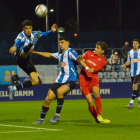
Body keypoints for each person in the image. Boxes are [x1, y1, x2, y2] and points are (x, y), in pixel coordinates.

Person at [31, 36, 94, 124]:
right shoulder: (60, 54)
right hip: (59, 81)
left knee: (59, 92)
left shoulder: (70, 51)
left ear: (67, 43)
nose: (60, 44)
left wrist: (87, 68)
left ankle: (57, 115)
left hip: (70, 80)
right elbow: (48, 54)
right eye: (60, 42)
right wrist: (36, 52)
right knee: (47, 99)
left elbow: (79, 60)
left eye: (62, 42)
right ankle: (41, 119)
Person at [8, 19, 58, 100]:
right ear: (23, 29)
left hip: (27, 60)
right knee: (25, 51)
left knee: (35, 81)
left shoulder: (35, 33)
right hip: (19, 57)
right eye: (26, 28)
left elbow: (46, 34)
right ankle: (31, 43)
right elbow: (16, 44)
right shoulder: (21, 36)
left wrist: (52, 31)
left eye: (29, 28)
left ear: (32, 28)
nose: (28, 30)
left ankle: (13, 88)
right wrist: (14, 47)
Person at [78, 41, 110, 123]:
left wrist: (85, 63)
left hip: (93, 78)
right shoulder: (88, 53)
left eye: (98, 48)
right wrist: (85, 65)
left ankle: (99, 115)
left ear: (102, 51)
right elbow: (79, 60)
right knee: (89, 101)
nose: (95, 49)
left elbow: (94, 69)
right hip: (83, 78)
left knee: (96, 92)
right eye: (96, 47)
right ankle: (97, 119)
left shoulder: (103, 61)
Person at [122, 39, 140, 109]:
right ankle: (139, 101)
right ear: (132, 45)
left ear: (138, 44)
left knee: (135, 86)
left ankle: (131, 103)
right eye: (134, 43)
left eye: (136, 43)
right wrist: (124, 65)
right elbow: (128, 62)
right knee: (135, 88)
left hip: (139, 72)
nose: (135, 44)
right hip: (132, 73)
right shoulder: (130, 53)